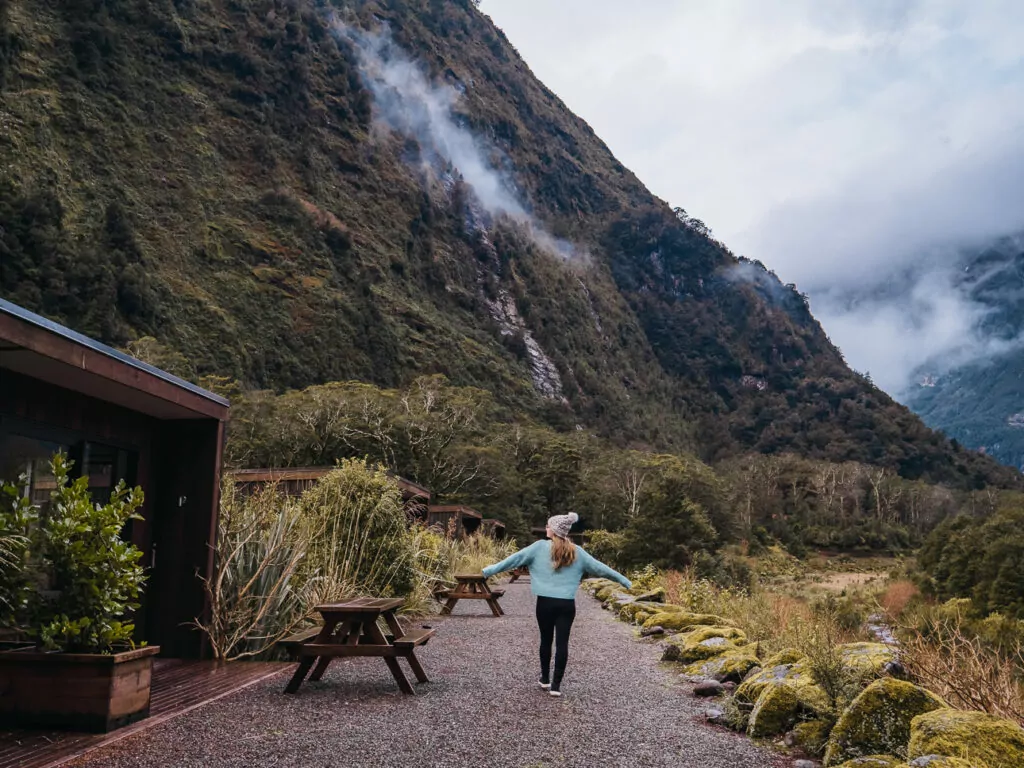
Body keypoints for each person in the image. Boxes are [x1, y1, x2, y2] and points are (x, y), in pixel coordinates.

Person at [482, 512, 631, 697]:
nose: (546, 528)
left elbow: (512, 560)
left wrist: (487, 571)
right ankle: (556, 686)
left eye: (548, 525)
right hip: (566, 605)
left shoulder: (538, 548)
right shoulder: (578, 552)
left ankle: (545, 679)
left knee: (546, 640)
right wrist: (626, 582)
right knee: (562, 643)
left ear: (553, 530)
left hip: (544, 603)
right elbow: (602, 569)